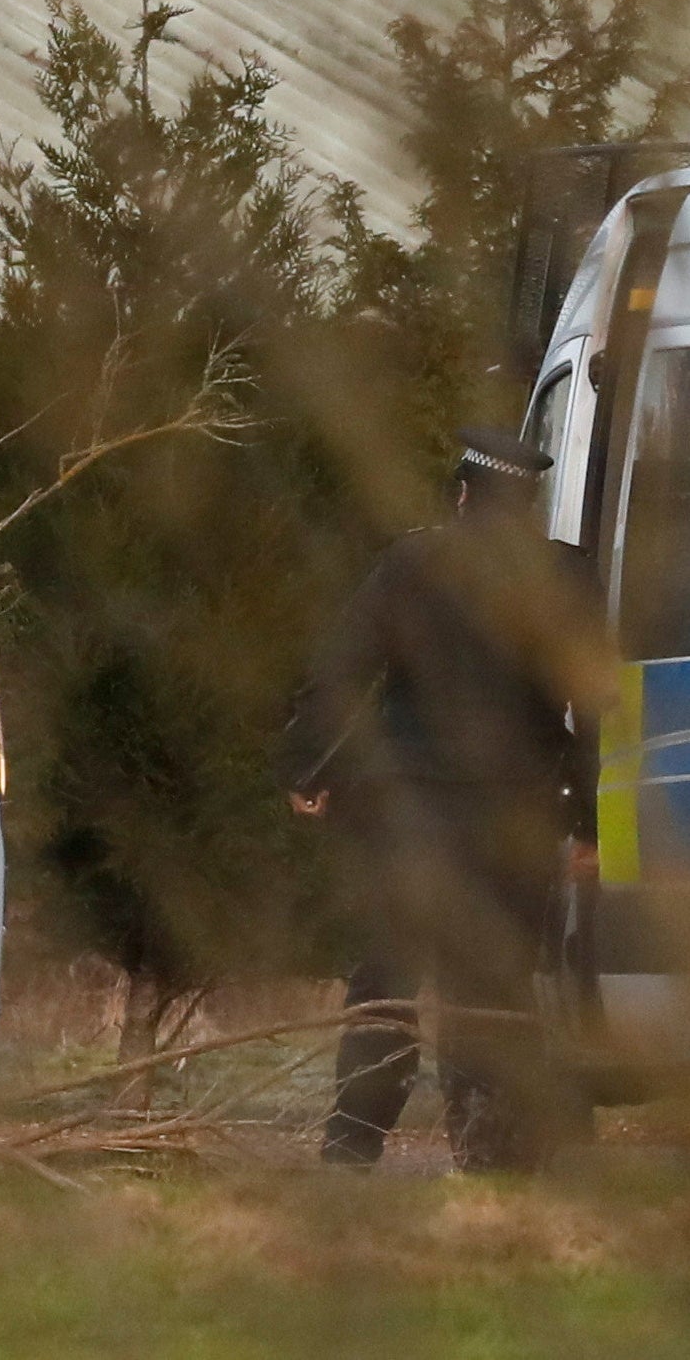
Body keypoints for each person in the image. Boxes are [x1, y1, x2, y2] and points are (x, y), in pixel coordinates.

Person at [279, 428, 597, 1170]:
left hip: (409, 814)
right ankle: (497, 1154)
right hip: (514, 817)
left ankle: (350, 1148)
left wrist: (303, 768)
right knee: (496, 982)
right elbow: (588, 711)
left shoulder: (410, 564)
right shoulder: (561, 578)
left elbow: (340, 671)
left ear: (462, 491)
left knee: (387, 978)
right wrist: (585, 821)